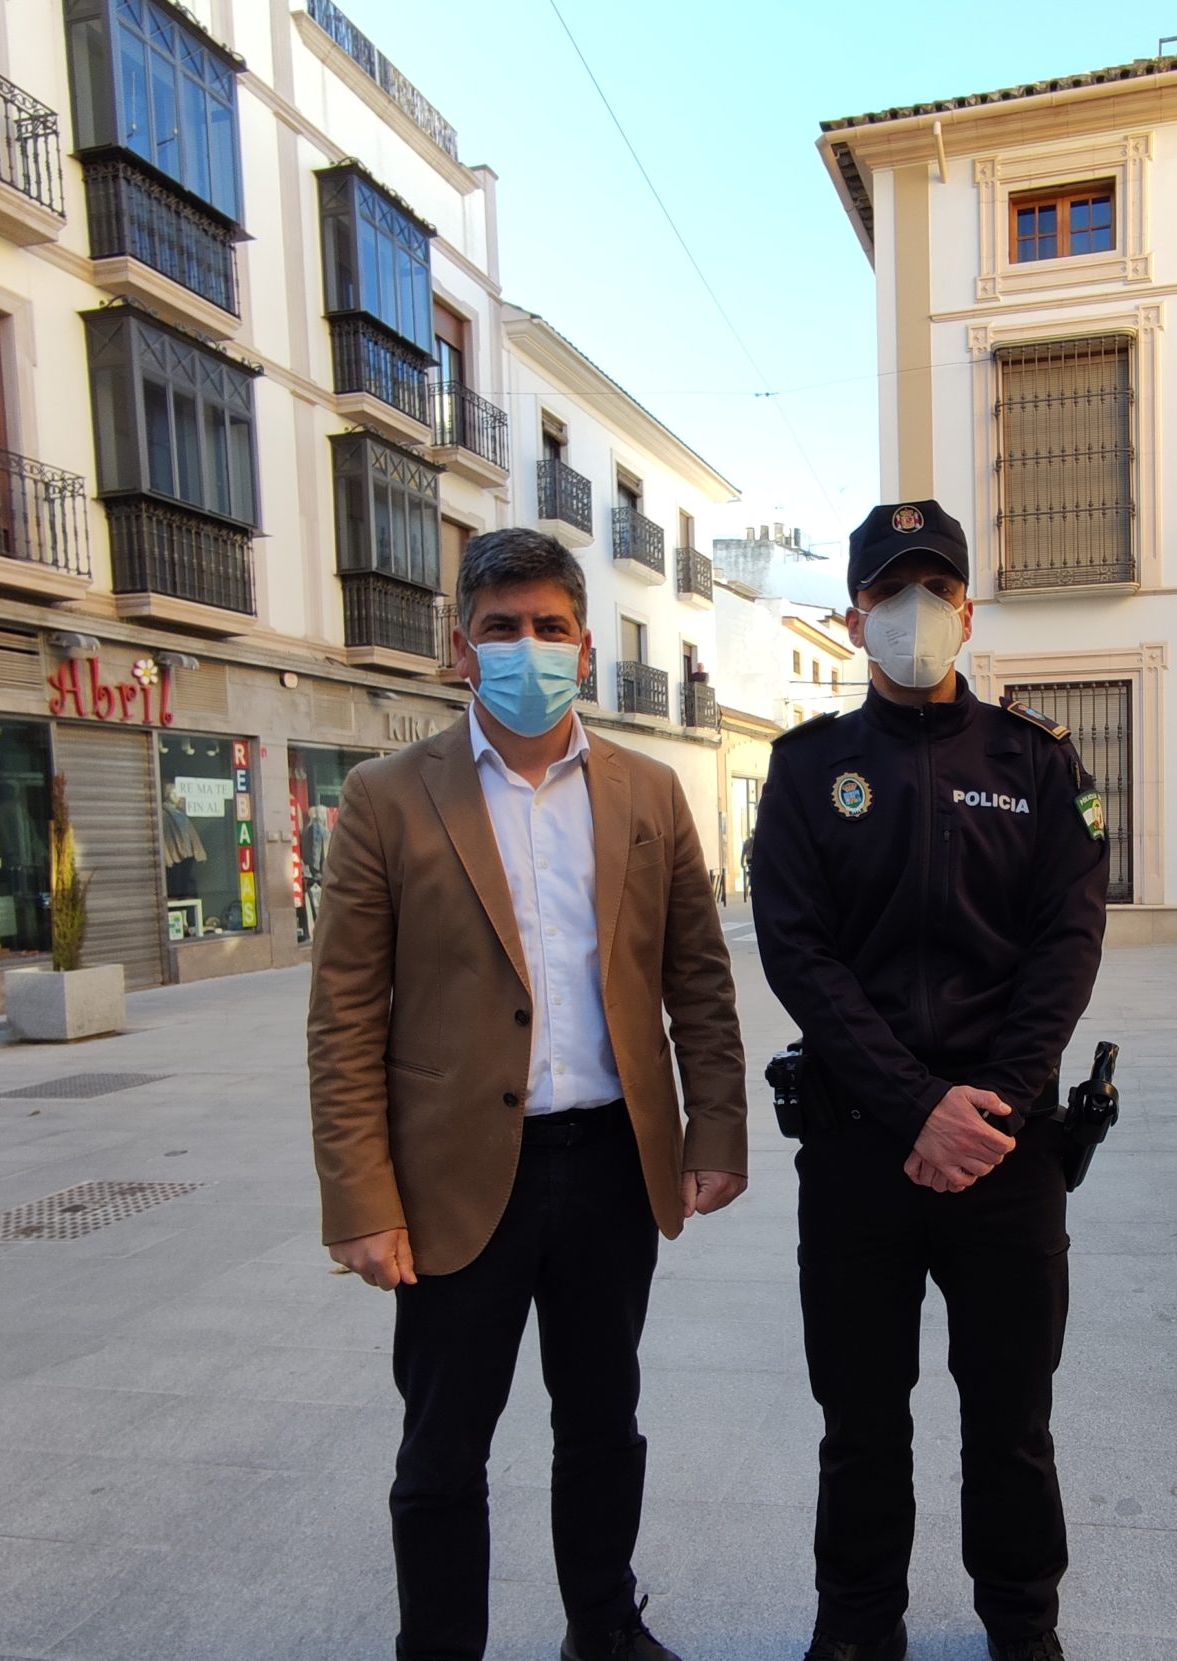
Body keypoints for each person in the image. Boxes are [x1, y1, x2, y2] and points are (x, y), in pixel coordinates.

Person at [307, 527, 749, 1661]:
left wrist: (717, 1128)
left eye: (549, 626)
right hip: (456, 1180)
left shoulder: (649, 793)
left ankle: (602, 1624)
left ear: (585, 651)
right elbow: (345, 1013)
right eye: (501, 628)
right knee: (443, 1446)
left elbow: (696, 976)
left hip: (610, 1162)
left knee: (602, 1421)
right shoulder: (387, 797)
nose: (526, 648)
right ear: (461, 649)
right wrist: (360, 1197)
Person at [750, 500, 1109, 1661]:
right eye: (889, 591)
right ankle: (858, 1625)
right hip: (861, 1147)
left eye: (934, 589)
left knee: (1012, 1417)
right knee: (859, 1421)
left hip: (1004, 1154)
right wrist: (915, 1106)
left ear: (966, 606)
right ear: (855, 616)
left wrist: (986, 1106)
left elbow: (1067, 939)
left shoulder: (1034, 762)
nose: (914, 612)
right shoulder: (808, 771)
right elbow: (797, 949)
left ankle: (1022, 1624)